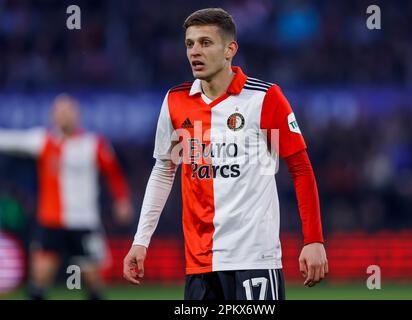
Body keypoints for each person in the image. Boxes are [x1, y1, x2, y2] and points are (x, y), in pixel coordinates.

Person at [123, 8, 328, 300]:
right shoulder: (175, 101)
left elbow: (301, 169)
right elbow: (164, 170)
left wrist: (314, 240)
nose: (195, 51)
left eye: (205, 43)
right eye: (189, 44)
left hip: (253, 259)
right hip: (199, 263)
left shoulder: (264, 98)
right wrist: (140, 241)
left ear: (230, 49)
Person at [0, 94, 133, 300]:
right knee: (39, 281)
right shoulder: (43, 141)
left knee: (93, 283)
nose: (63, 116)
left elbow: (114, 173)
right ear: (53, 116)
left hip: (84, 222)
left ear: (76, 114)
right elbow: (9, 140)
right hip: (51, 222)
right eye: (58, 111)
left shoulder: (93, 144)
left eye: (67, 111)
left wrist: (122, 200)